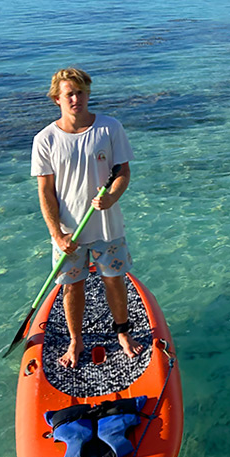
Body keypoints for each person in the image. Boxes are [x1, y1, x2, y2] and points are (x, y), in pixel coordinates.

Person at [31, 68, 141, 366]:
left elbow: (123, 172)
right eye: (69, 94)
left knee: (114, 280)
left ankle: (123, 333)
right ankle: (75, 340)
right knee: (71, 286)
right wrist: (57, 235)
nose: (76, 99)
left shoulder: (110, 128)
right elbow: (45, 191)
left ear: (88, 94)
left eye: (80, 93)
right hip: (69, 232)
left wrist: (112, 197)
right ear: (56, 99)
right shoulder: (45, 139)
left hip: (108, 227)